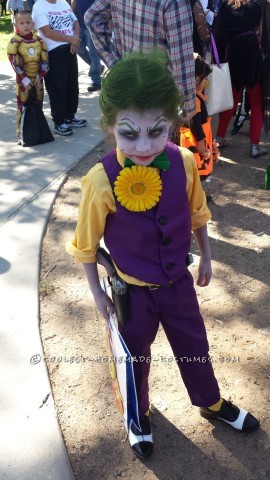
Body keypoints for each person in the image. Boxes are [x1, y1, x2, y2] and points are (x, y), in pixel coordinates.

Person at [66, 52, 259, 460]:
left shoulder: (183, 160)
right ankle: (139, 416)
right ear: (109, 127)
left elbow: (197, 212)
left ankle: (210, 401)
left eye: (156, 131)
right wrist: (97, 294)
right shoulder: (100, 179)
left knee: (195, 344)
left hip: (178, 284)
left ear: (171, 122)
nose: (143, 145)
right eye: (128, 133)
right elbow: (85, 243)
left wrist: (205, 257)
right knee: (134, 356)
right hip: (133, 294)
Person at [84, 0, 196, 121]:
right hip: (159, 92)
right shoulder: (174, 3)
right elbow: (181, 61)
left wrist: (116, 64)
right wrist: (188, 106)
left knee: (130, 135)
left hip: (126, 84)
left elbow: (92, 18)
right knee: (154, 137)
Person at [213, 0, 269, 158]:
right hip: (252, 52)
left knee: (231, 97)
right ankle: (255, 146)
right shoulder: (257, 6)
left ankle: (219, 138)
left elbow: (218, 33)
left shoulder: (225, 6)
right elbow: (262, 32)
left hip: (234, 53)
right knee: (256, 100)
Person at [32, 0, 87, 136]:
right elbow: (47, 31)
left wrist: (74, 38)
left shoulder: (63, 2)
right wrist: (71, 39)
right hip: (53, 52)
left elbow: (75, 23)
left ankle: (70, 116)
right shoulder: (39, 6)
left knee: (72, 86)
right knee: (57, 88)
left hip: (70, 49)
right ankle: (59, 121)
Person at [7, 10, 49, 144]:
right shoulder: (15, 42)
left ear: (33, 23)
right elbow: (14, 63)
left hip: (38, 80)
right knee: (23, 107)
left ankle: (38, 132)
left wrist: (40, 76)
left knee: (38, 105)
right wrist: (24, 79)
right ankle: (21, 134)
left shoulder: (39, 40)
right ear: (16, 25)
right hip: (23, 82)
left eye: (28, 22)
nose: (25, 25)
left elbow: (45, 61)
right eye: (22, 23)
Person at [180, 54, 219, 183]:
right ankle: (194, 195)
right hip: (195, 141)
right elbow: (195, 122)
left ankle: (196, 192)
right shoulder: (194, 100)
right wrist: (201, 141)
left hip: (198, 139)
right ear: (197, 80)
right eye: (205, 79)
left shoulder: (191, 96)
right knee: (195, 168)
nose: (206, 82)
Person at [71, 0, 102, 92]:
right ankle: (98, 67)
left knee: (94, 54)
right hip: (80, 24)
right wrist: (71, 14)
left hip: (93, 24)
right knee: (78, 49)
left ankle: (96, 81)